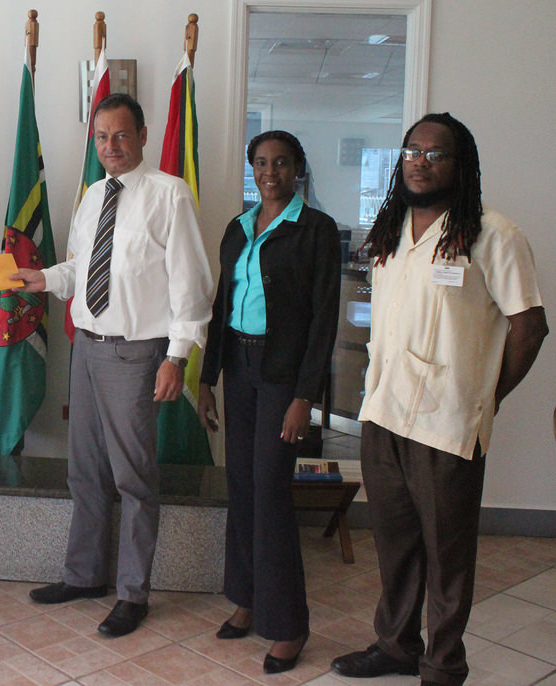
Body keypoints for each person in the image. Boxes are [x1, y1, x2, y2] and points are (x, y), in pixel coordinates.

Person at [331, 113, 547, 686]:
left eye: (436, 153)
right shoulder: (390, 230)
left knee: (447, 555)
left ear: (462, 164)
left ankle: (444, 666)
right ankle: (397, 646)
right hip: (384, 414)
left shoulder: (492, 233)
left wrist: (485, 396)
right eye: (412, 151)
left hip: (447, 425)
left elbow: (530, 327)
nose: (420, 161)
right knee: (396, 544)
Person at [13, 93, 214, 637]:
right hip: (89, 347)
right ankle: (83, 575)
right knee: (86, 470)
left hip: (137, 352)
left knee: (133, 476)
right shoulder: (93, 194)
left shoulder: (170, 195)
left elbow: (190, 284)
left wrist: (177, 357)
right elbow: (82, 267)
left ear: (143, 135)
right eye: (102, 138)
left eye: (121, 136)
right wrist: (44, 279)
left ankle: (132, 593)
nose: (111, 147)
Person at [196, 131, 340, 674]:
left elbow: (323, 321)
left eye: (281, 163)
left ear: (298, 169)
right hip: (239, 366)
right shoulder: (237, 229)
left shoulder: (316, 231)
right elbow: (220, 305)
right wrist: (207, 378)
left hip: (284, 376)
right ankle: (247, 600)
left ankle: (288, 626)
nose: (270, 171)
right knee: (242, 487)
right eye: (261, 163)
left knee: (271, 493)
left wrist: (306, 397)